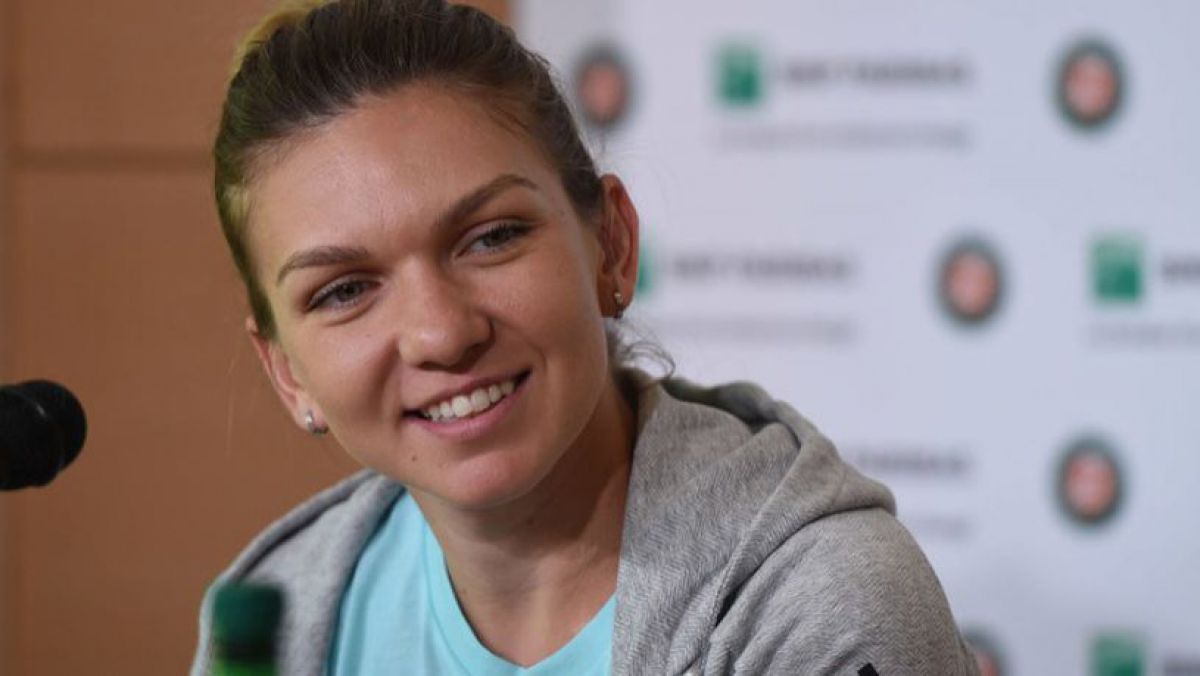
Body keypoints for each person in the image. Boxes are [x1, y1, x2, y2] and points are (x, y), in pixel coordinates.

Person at [191, 1, 980, 674]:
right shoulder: (275, 615)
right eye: (345, 291)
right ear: (287, 372)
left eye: (491, 238)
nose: (441, 333)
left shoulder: (825, 606)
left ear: (611, 246)